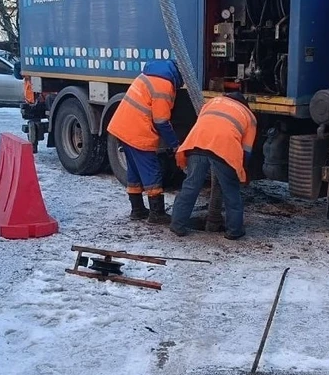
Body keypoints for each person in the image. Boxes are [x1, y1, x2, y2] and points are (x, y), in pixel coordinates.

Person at [170, 92, 256, 240]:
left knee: (190, 186)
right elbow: (246, 151)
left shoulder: (213, 102)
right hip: (225, 150)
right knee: (231, 192)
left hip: (197, 144)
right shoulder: (249, 116)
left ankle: (177, 225)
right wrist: (242, 170)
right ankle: (234, 231)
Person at [106, 59, 182, 224]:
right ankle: (157, 214)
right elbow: (161, 120)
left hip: (123, 126)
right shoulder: (164, 85)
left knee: (133, 169)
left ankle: (137, 209)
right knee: (151, 170)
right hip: (138, 131)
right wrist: (175, 144)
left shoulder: (149, 75)